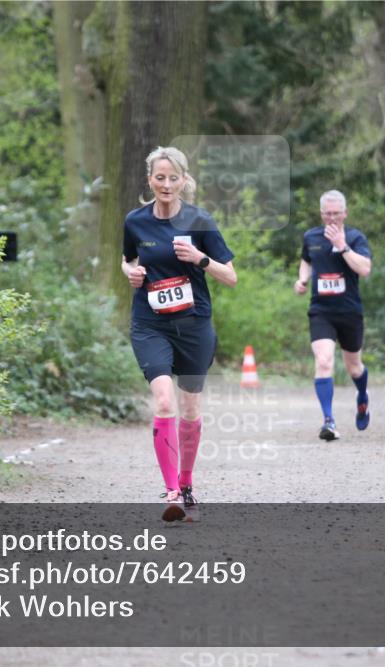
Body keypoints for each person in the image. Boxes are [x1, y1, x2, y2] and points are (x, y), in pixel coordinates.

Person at [121, 146, 237, 521]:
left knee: (189, 409)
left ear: (184, 181)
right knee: (164, 402)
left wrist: (199, 259)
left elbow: (231, 276)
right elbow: (128, 258)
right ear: (149, 180)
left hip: (193, 324)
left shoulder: (200, 221)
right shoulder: (134, 221)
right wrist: (130, 273)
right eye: (160, 177)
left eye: (173, 178)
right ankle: (171, 491)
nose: (166, 184)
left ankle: (186, 484)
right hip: (150, 323)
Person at [294, 191, 373, 441]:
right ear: (321, 214)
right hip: (321, 311)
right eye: (327, 214)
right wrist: (302, 279)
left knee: (354, 367)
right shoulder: (311, 237)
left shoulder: (355, 237)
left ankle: (362, 397)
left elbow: (365, 269)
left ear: (345, 213)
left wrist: (342, 246)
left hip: (349, 311)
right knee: (324, 361)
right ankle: (328, 420)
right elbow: (306, 260)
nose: (332, 218)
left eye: (336, 214)